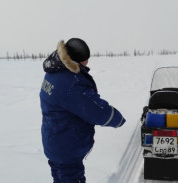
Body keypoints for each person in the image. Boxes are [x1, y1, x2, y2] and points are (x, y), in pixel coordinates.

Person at [40, 38, 126, 183]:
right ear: (76, 60)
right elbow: (96, 111)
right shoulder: (72, 82)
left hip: (53, 141)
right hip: (67, 148)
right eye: (85, 61)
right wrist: (118, 120)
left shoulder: (53, 71)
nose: (87, 64)